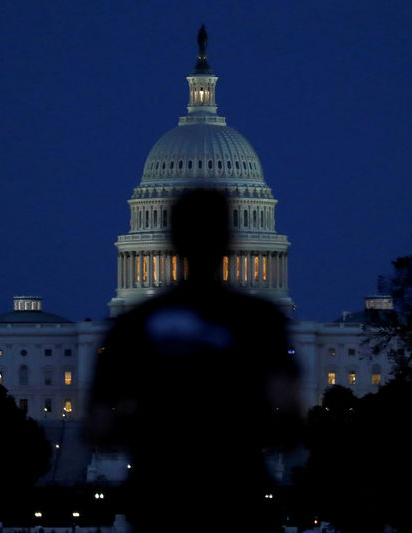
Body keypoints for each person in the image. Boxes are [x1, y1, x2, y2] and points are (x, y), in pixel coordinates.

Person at [87, 187, 301, 532]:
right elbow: (289, 422)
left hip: (161, 503)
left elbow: (98, 427)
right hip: (238, 501)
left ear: (170, 238)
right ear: (231, 237)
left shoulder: (133, 326)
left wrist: (158, 426)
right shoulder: (262, 322)